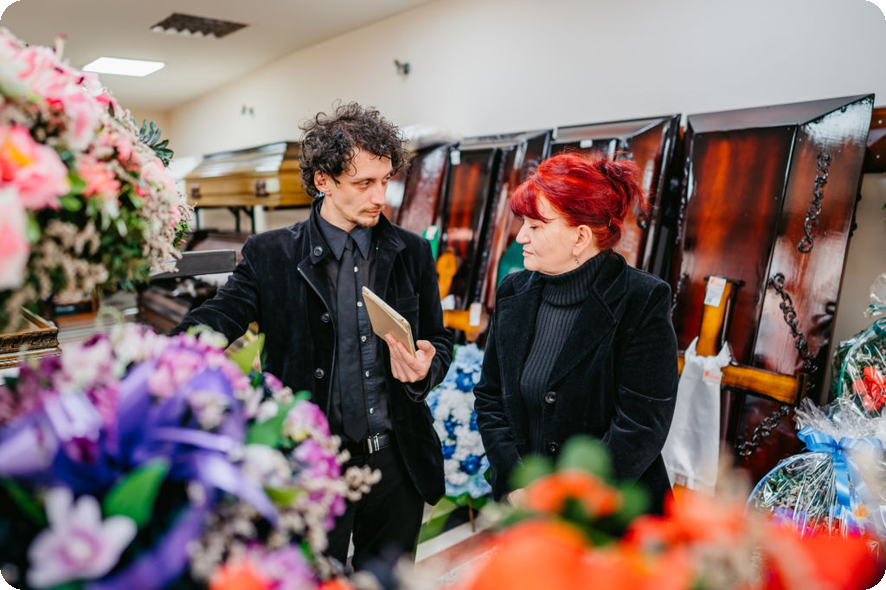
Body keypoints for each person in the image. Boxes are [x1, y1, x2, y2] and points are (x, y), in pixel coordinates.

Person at [171, 102, 451, 571]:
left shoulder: (413, 252)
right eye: (364, 183)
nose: (380, 196)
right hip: (311, 469)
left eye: (385, 181)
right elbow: (219, 316)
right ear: (323, 180)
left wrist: (426, 367)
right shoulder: (270, 254)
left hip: (396, 465)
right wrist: (160, 358)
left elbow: (439, 341)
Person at [473, 152, 678, 514]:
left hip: (611, 514)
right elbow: (491, 398)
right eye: (523, 223)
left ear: (580, 237)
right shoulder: (513, 292)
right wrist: (516, 484)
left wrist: (563, 502)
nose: (520, 237)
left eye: (535, 226)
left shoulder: (642, 300)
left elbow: (640, 426)